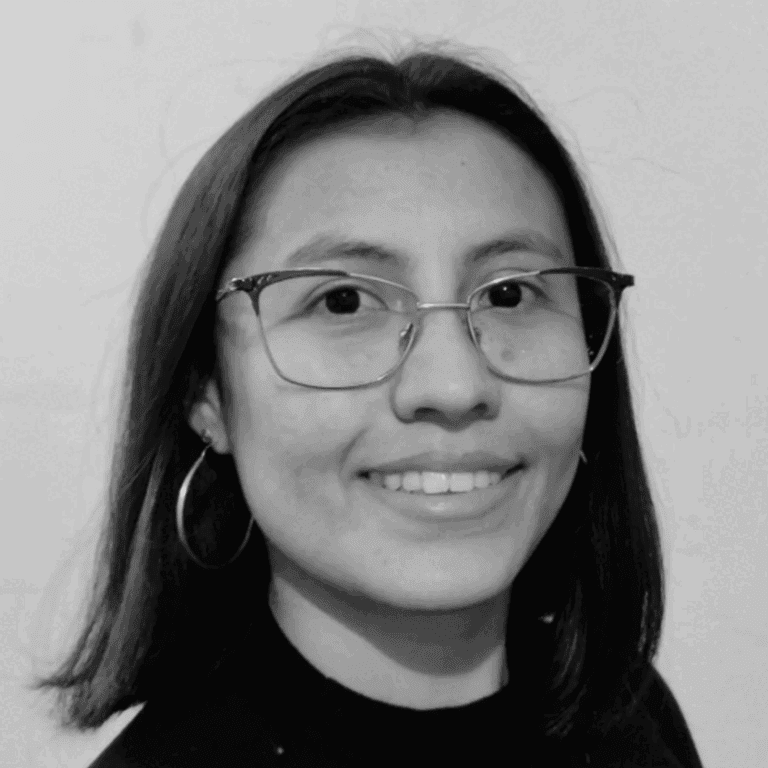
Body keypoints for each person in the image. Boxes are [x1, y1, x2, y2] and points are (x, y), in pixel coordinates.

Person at [35, 42, 704, 767]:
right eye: (344, 302)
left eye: (510, 294)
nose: (453, 386)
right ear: (207, 392)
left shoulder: (629, 716)